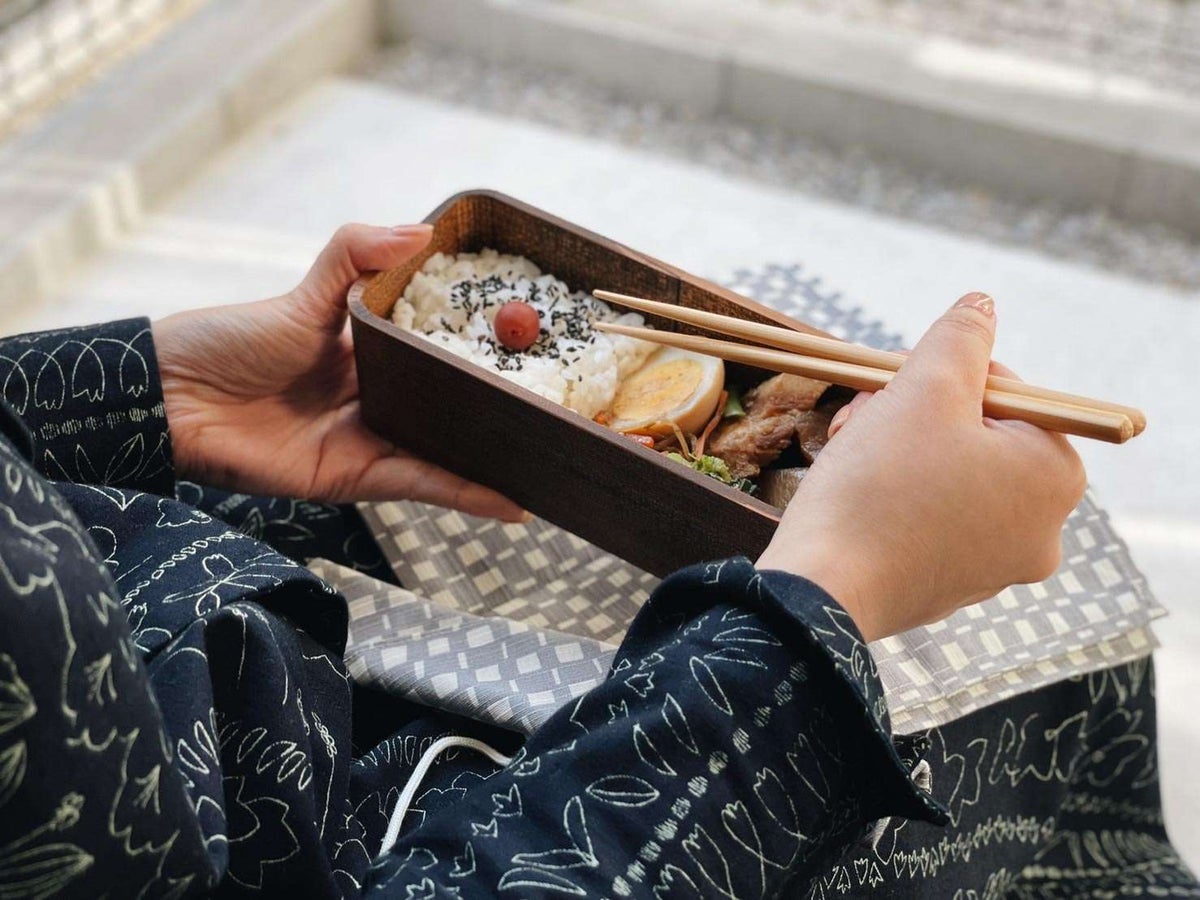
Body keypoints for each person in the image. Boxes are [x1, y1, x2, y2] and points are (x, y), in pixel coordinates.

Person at [0, 223, 1187, 898]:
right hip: (345, 827)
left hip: (167, 558)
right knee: (975, 707)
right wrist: (822, 603)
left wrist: (136, 395)